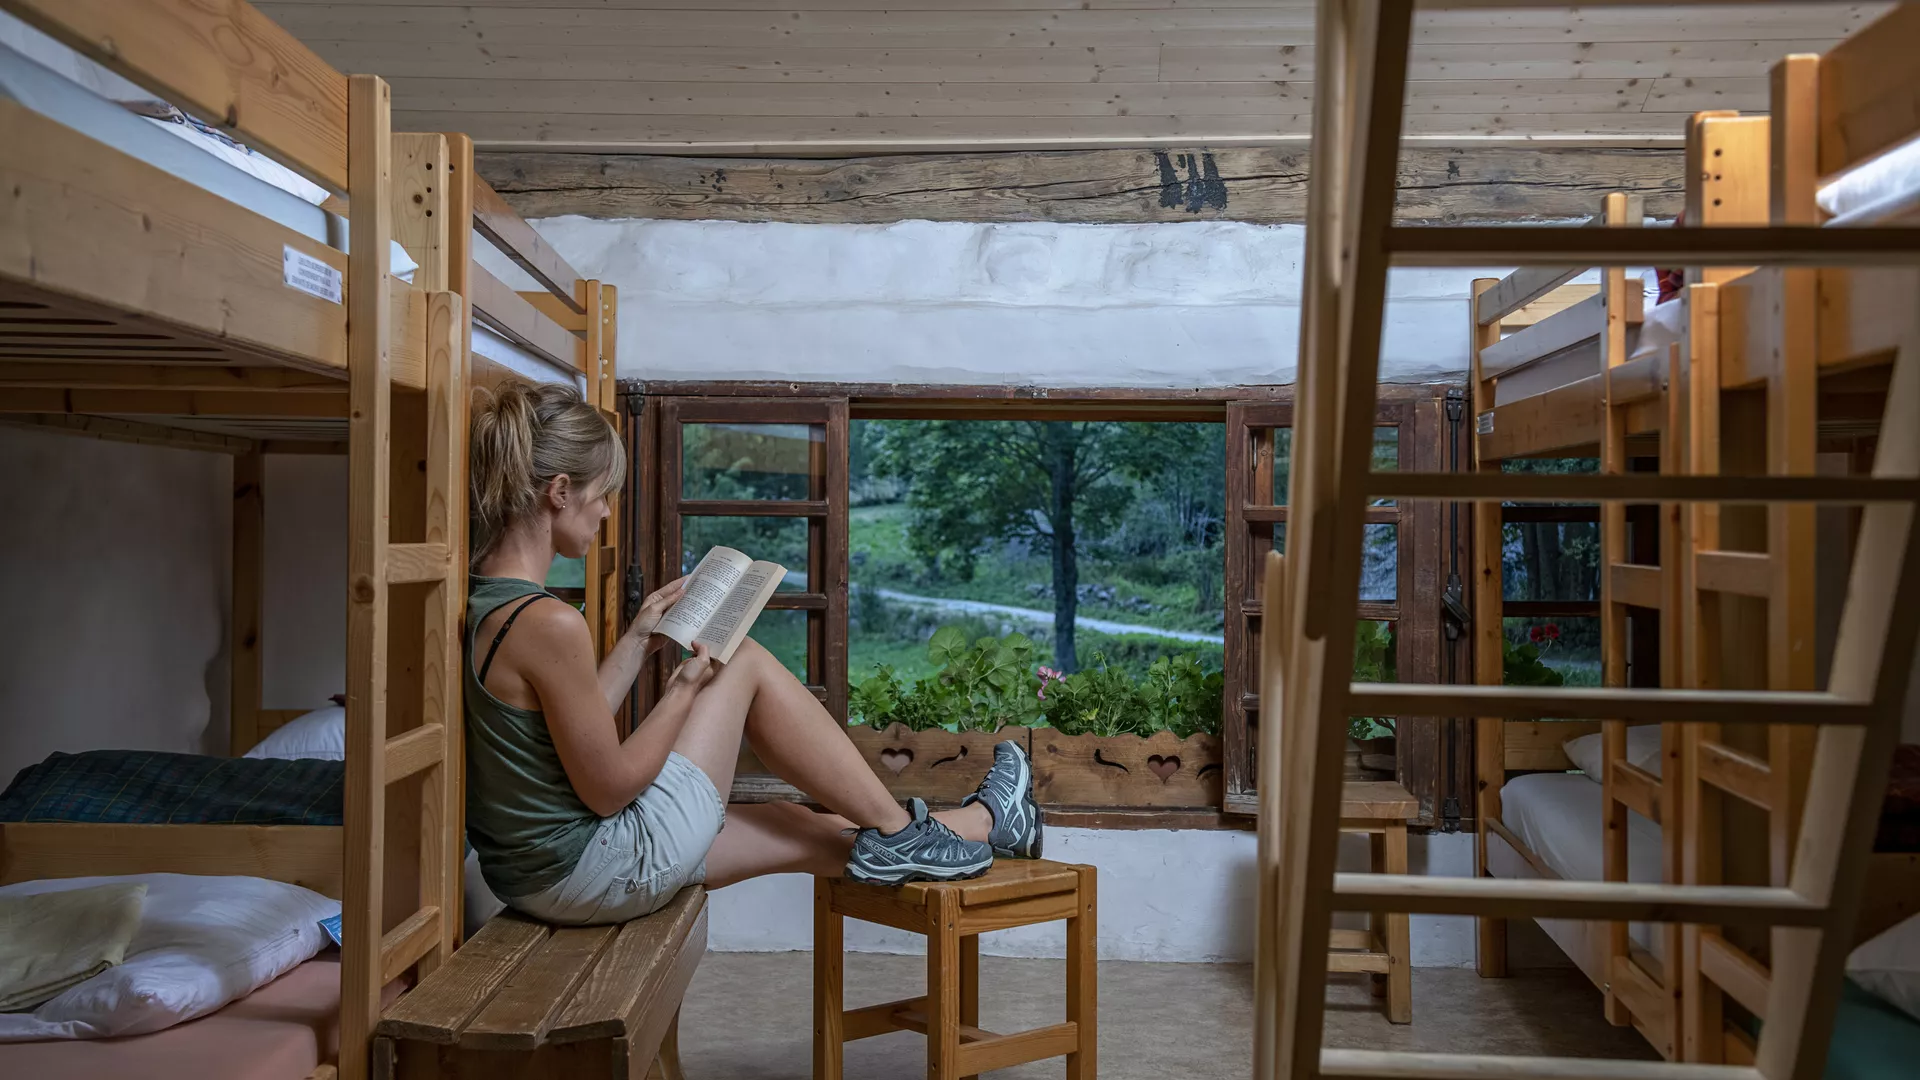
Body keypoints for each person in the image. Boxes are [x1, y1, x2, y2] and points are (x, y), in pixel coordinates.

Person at [463, 383, 1042, 926]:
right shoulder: (551, 622)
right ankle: (903, 826)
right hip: (593, 868)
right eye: (601, 495)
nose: (606, 513)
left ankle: (986, 825)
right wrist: (684, 689)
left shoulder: (495, 601)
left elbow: (568, 739)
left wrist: (639, 639)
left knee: (796, 825)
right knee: (742, 662)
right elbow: (608, 786)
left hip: (541, 875)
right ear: (560, 491)